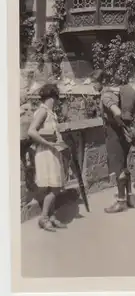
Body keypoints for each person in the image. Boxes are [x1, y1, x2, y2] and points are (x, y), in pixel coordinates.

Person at [92, 70, 135, 214]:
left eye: (94, 82)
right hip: (123, 133)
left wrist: (119, 123)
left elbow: (117, 112)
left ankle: (121, 202)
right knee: (124, 165)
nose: (93, 85)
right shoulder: (116, 92)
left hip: (114, 133)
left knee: (118, 167)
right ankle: (130, 197)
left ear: (101, 82)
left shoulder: (106, 95)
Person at [27, 83, 67, 232]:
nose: (57, 101)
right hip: (46, 152)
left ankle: (51, 217)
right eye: (56, 98)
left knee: (54, 185)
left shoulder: (50, 112)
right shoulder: (43, 111)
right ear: (52, 97)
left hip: (52, 150)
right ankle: (44, 218)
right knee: (55, 187)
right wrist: (48, 144)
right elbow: (32, 131)